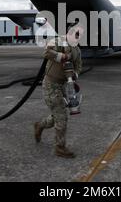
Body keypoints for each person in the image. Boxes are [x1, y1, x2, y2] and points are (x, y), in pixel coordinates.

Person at [34, 24, 83, 158]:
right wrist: (62, 56)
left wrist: (74, 75)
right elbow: (46, 52)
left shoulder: (77, 50)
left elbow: (79, 66)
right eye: (75, 34)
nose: (77, 37)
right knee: (62, 116)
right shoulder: (56, 41)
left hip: (64, 86)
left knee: (57, 115)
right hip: (51, 84)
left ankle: (39, 125)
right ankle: (60, 148)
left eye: (79, 35)